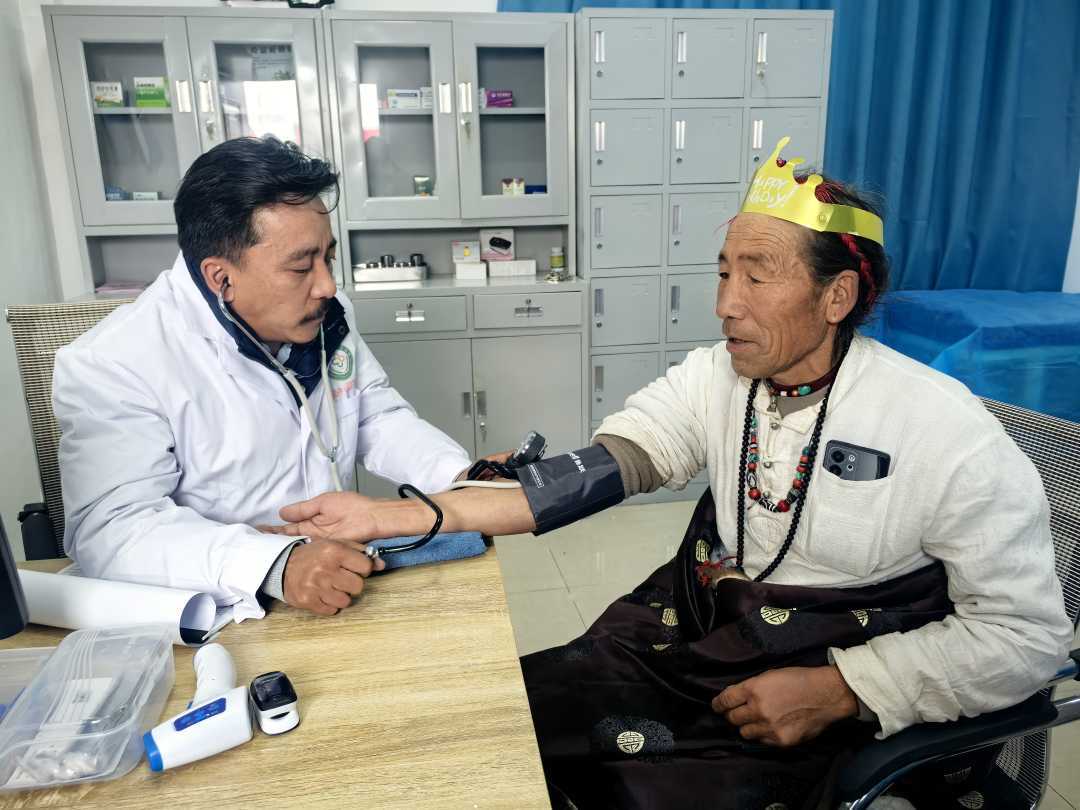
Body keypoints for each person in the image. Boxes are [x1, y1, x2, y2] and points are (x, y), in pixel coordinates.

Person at [267, 138, 1072, 806]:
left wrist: (845, 689)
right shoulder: (717, 376)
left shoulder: (945, 432)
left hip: (827, 686)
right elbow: (607, 467)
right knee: (506, 721)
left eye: (757, 275)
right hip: (703, 637)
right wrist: (407, 515)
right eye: (724, 272)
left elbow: (1028, 639)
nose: (726, 303)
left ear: (837, 297)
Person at [53, 136, 478, 620]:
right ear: (220, 278)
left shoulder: (322, 313)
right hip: (224, 610)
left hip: (342, 581)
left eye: (327, 257)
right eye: (301, 266)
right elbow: (112, 531)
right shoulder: (112, 363)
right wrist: (275, 563)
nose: (327, 285)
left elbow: (375, 416)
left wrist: (459, 477)